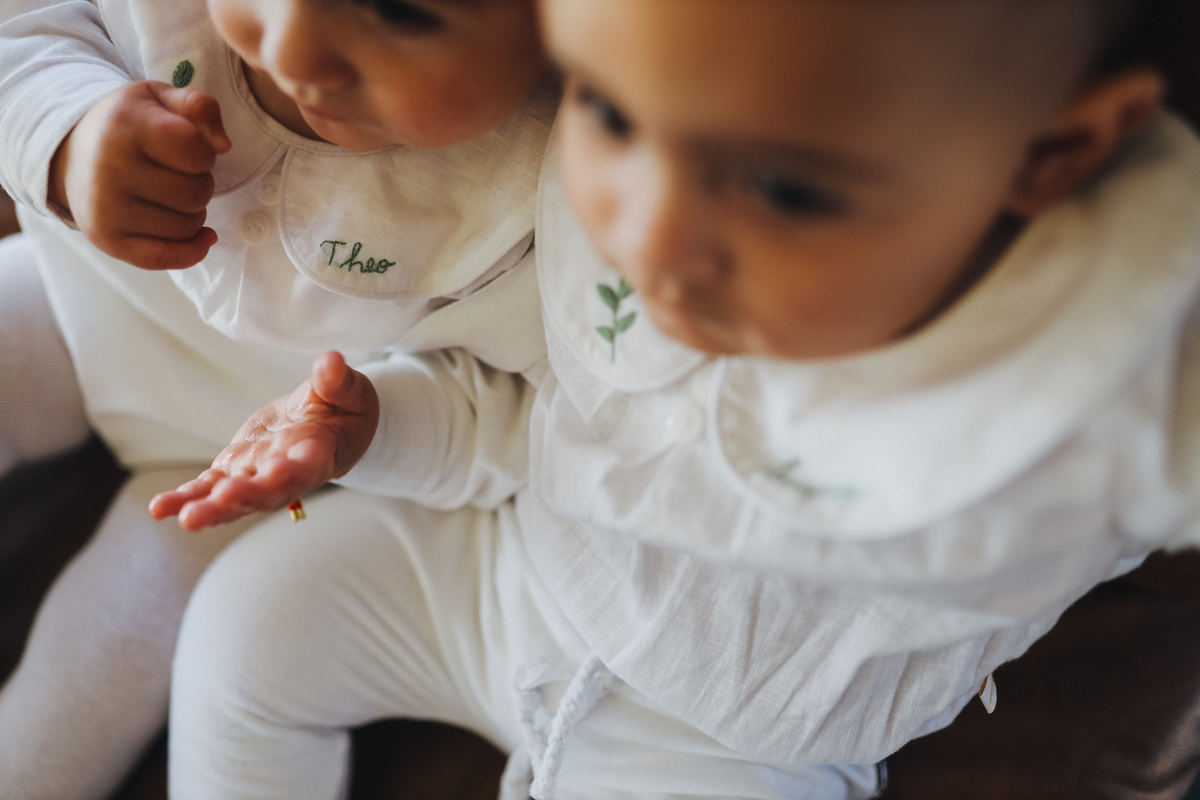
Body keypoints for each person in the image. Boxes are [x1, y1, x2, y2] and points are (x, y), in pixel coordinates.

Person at [159, 0, 1200, 797]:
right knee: (248, 623)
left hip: (731, 746)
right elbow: (549, 415)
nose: (648, 239)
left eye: (784, 188)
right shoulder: (634, 145)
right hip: (515, 568)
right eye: (610, 112)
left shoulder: (1117, 381)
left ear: (1050, 153)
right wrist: (376, 428)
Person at [0, 0, 554, 797]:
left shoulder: (545, 186)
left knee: (88, 685)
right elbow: (23, 30)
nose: (295, 50)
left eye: (400, 12)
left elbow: (522, 415)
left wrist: (372, 424)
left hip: (245, 480)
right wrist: (68, 132)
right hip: (80, 304)